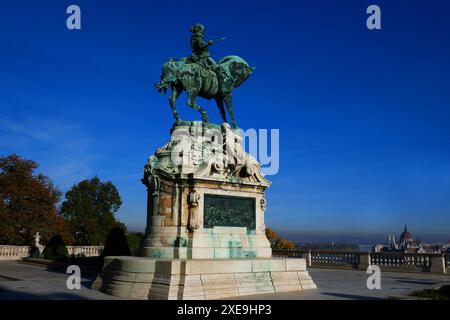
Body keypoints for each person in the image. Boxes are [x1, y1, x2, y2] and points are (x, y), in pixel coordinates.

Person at [188, 23, 228, 93]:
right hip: (205, 58)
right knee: (219, 69)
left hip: (198, 57)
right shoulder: (197, 38)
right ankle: (222, 88)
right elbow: (200, 45)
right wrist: (208, 43)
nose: (202, 32)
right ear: (199, 30)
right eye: (202, 31)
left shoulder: (194, 38)